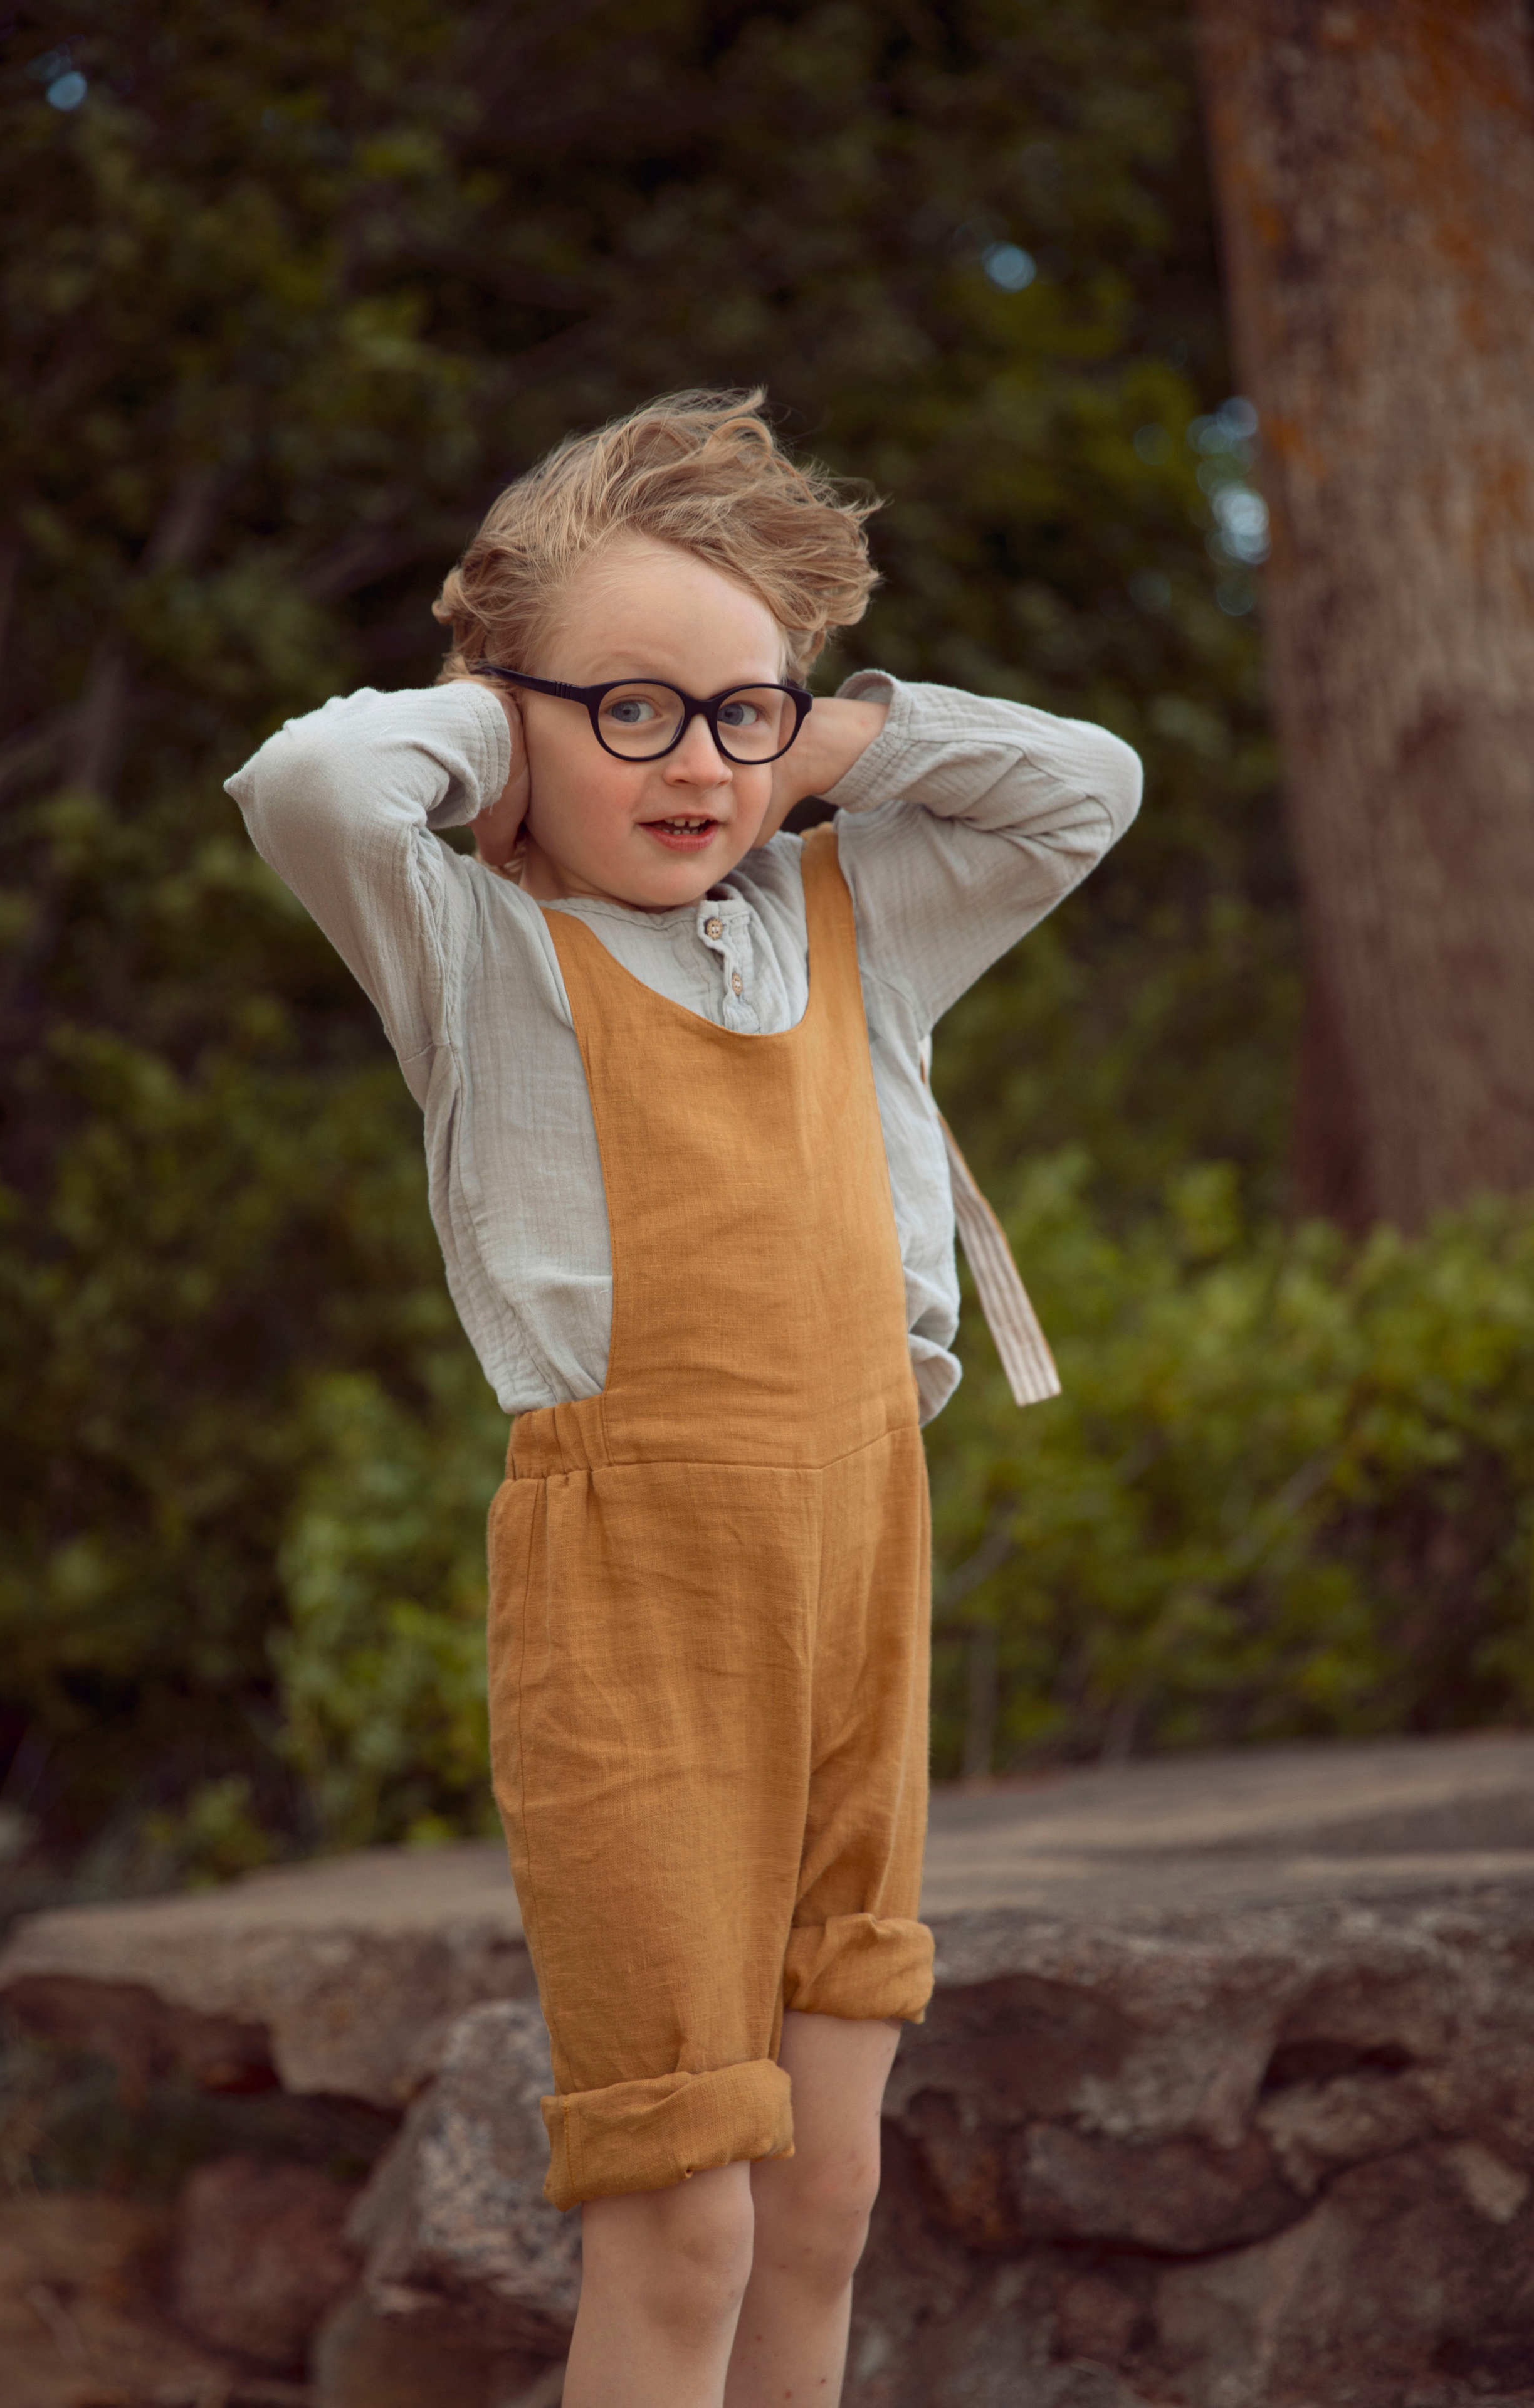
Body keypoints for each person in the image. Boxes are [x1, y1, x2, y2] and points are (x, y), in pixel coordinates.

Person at [226, 390, 1140, 2408]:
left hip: (860, 1562)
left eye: (740, 714)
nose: (695, 761)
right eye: (627, 711)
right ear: (514, 713)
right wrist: (500, 720)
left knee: (826, 2192)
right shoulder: (478, 947)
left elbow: (1090, 787)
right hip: (636, 1594)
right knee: (685, 2212)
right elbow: (308, 783)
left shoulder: (854, 912)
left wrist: (827, 736)